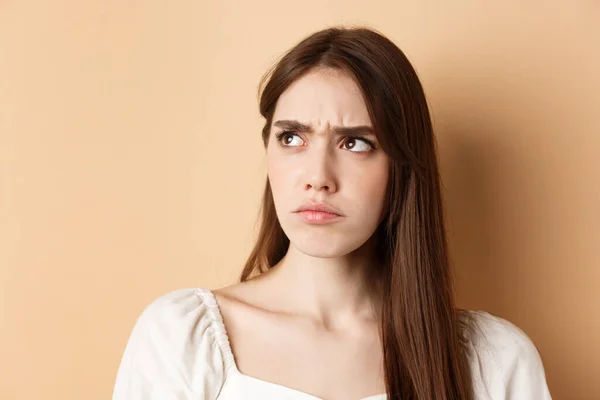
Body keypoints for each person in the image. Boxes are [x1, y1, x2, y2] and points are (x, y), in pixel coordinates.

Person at [112, 26, 552, 399]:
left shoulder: (493, 363)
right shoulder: (180, 339)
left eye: (356, 143)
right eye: (292, 138)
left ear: (402, 168)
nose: (317, 177)